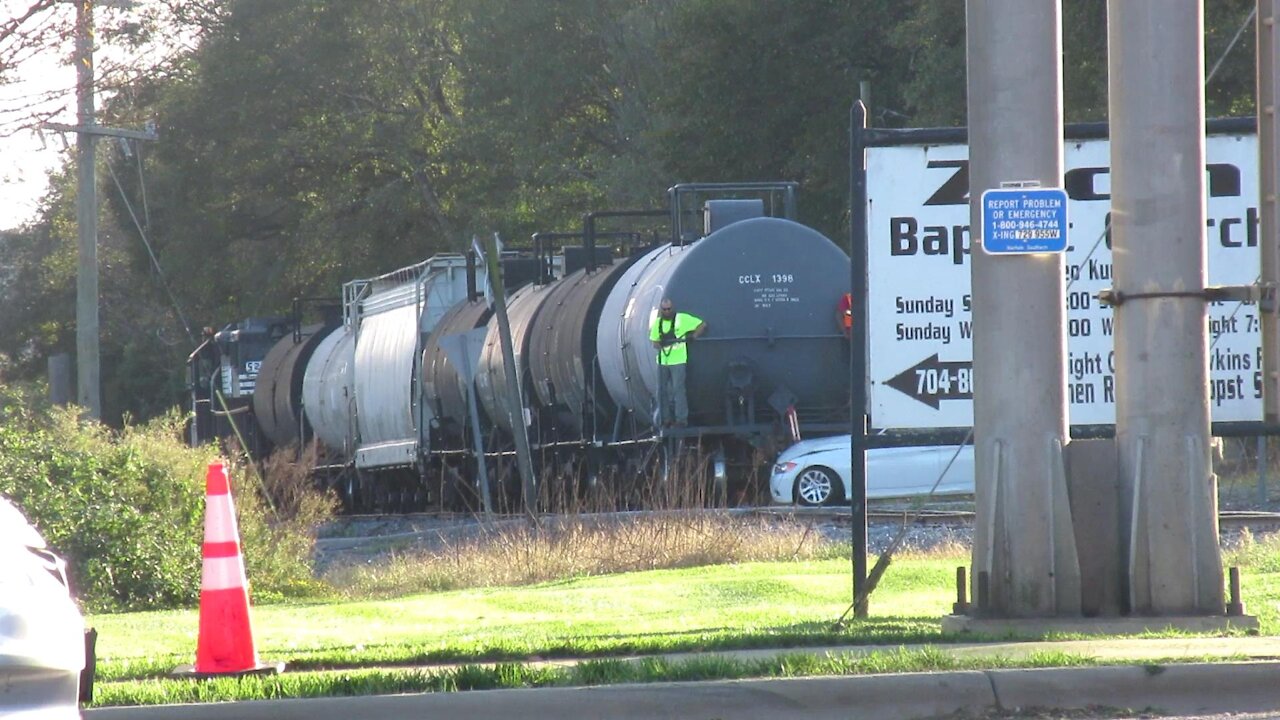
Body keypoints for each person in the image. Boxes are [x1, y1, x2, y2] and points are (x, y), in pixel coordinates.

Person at [649, 297, 706, 427]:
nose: (667, 311)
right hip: (663, 361)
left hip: (679, 361)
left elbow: (702, 324)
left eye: (669, 309)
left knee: (678, 390)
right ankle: (665, 419)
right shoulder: (658, 324)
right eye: (665, 309)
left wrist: (693, 336)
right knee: (661, 390)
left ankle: (681, 420)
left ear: (672, 308)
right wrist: (660, 344)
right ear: (661, 310)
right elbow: (654, 341)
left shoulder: (682, 319)